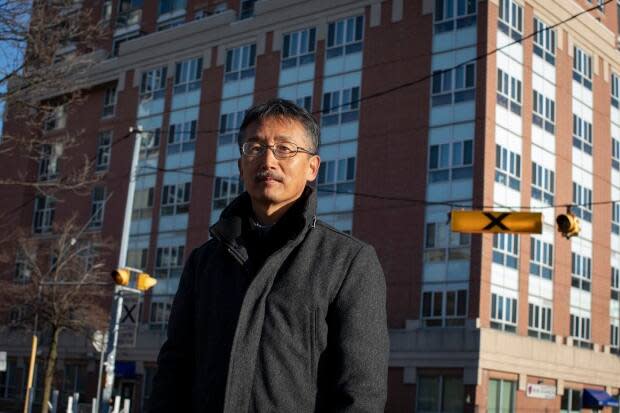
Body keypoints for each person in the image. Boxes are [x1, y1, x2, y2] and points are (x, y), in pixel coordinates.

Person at [149, 98, 388, 412]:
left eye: (285, 148)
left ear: (312, 167)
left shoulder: (348, 262)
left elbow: (360, 395)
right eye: (255, 148)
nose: (268, 161)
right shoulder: (204, 262)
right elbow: (173, 373)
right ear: (240, 165)